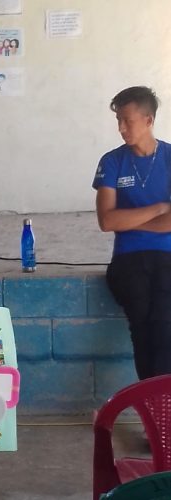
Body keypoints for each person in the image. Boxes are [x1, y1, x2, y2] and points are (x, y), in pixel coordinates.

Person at [93, 86, 171, 381]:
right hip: (128, 259)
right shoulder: (112, 161)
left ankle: (163, 409)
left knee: (165, 327)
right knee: (141, 328)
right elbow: (107, 220)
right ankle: (152, 408)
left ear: (149, 120)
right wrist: (159, 208)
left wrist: (129, 220)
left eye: (128, 120)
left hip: (167, 255)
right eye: (118, 121)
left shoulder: (169, 157)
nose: (121, 128)